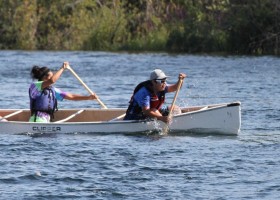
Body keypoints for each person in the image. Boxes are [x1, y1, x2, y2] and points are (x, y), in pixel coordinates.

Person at [29, 62, 97, 122]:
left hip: (46, 121)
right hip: (36, 121)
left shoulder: (52, 90)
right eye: (51, 76)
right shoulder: (35, 86)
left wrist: (88, 97)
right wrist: (62, 68)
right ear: (44, 77)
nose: (54, 77)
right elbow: (52, 80)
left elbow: (71, 96)